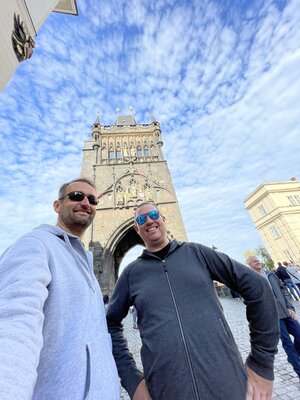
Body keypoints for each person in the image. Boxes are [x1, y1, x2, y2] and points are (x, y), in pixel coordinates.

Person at [107, 202, 279, 400]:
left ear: (163, 219)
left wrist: (262, 363)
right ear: (137, 229)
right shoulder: (131, 274)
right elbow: (109, 323)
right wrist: (132, 381)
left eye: (154, 214)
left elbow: (258, 287)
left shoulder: (197, 253)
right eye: (141, 219)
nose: (149, 221)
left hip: (228, 386)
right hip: (167, 391)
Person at [0, 178, 119, 399]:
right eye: (76, 196)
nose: (85, 202)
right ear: (57, 205)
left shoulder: (86, 265)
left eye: (92, 199)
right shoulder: (35, 245)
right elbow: (14, 320)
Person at [247, 256, 300, 380]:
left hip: (287, 312)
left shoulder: (271, 274)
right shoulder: (251, 278)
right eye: (254, 261)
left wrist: (290, 306)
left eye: (258, 259)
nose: (258, 262)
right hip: (273, 317)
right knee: (287, 342)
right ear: (250, 265)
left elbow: (283, 290)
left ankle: (293, 355)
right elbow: (248, 300)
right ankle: (297, 368)